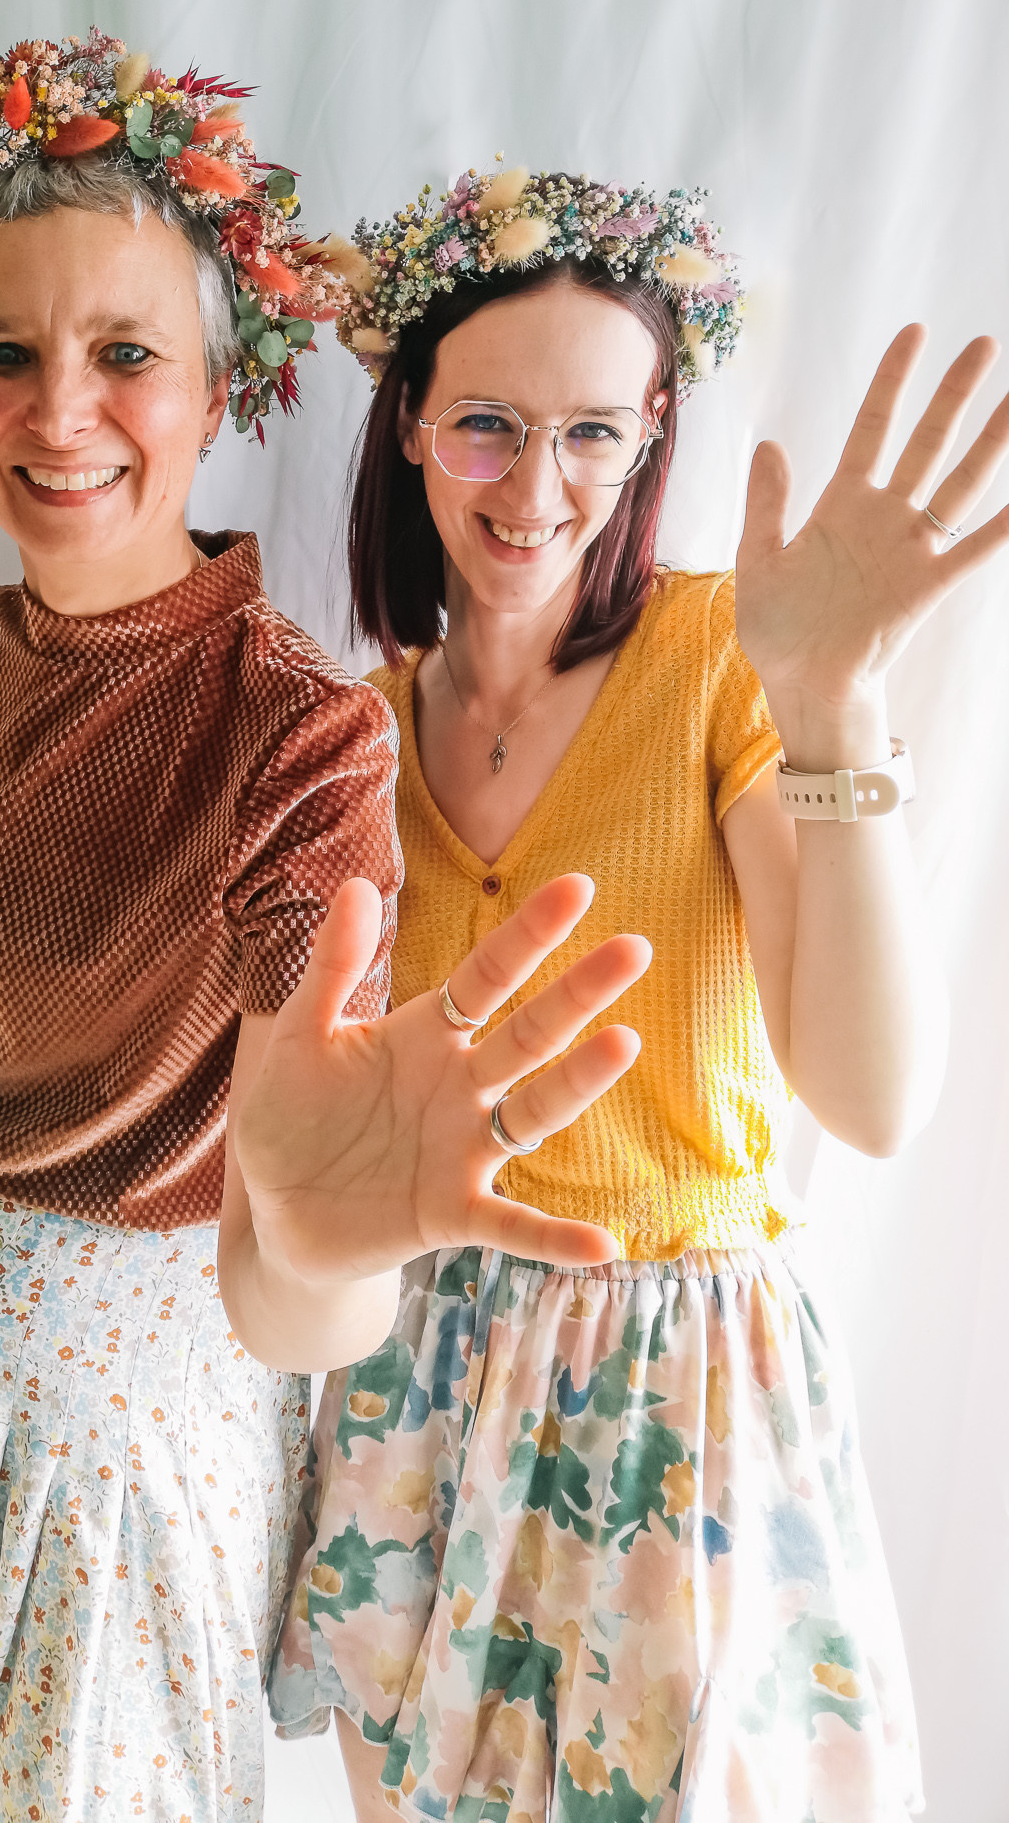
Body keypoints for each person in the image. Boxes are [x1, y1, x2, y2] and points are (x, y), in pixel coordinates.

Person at [0, 38, 649, 1823]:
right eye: (5, 354)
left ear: (222, 386)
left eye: (125, 354)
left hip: (106, 1447)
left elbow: (300, 1186)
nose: (59, 412)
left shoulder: (296, 728)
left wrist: (320, 1233)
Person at [253, 160, 1009, 1819]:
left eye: (596, 431)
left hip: (679, 1370)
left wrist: (826, 711)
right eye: (487, 427)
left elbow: (870, 1097)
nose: (538, 485)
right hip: (419, 1369)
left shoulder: (723, 660)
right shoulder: (352, 728)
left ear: (655, 437)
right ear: (407, 427)